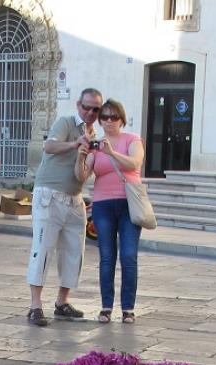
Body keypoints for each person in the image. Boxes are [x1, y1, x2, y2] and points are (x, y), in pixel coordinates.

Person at [25, 87, 101, 326]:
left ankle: (62, 302)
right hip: (50, 194)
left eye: (95, 109)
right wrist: (74, 144)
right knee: (43, 248)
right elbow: (49, 146)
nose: (90, 112)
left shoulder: (93, 133)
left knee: (73, 251)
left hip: (74, 197)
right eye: (86, 107)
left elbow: (84, 172)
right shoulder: (66, 122)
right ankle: (35, 305)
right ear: (78, 105)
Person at [77, 98, 144, 324]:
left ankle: (128, 308)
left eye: (113, 117)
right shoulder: (97, 144)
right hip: (103, 204)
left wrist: (112, 152)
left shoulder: (132, 140)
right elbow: (82, 175)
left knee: (128, 255)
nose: (108, 121)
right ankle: (106, 306)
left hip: (128, 204)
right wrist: (82, 154)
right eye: (104, 117)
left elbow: (134, 163)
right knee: (107, 257)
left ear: (122, 119)